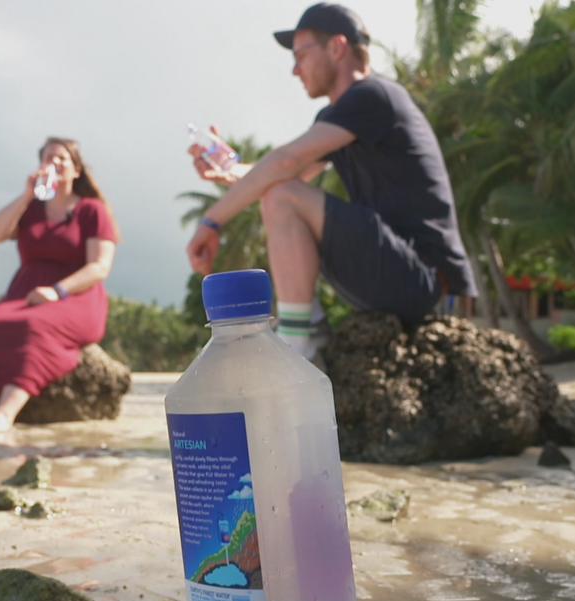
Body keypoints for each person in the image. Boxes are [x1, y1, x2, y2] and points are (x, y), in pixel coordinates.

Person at [186, 2, 476, 361]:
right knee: (280, 193)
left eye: (301, 55)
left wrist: (211, 221)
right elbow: (289, 172)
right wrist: (233, 172)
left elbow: (286, 165)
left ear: (337, 47)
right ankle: (307, 327)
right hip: (394, 273)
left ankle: (299, 340)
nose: (294, 69)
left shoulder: (373, 96)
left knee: (281, 196)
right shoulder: (340, 115)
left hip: (424, 279)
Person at [0, 137, 118, 432]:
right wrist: (27, 195)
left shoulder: (91, 210)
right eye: (48, 158)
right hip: (25, 292)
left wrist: (57, 291)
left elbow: (100, 266)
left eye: (61, 158)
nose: (54, 163)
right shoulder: (31, 209)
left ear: (76, 170)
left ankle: (5, 414)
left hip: (76, 295)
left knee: (35, 326)